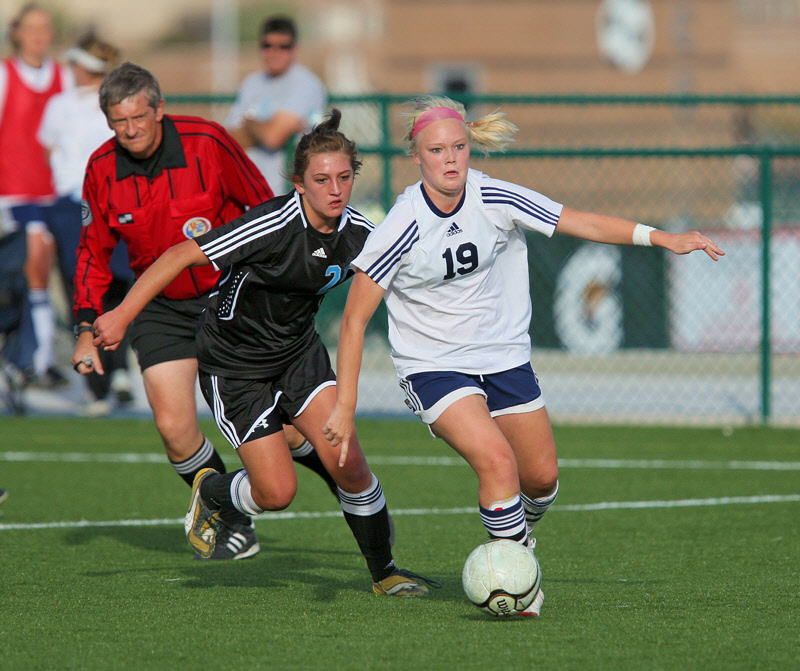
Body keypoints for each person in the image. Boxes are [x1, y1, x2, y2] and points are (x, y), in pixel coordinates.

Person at [322, 95, 725, 615]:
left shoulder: (494, 196)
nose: (450, 159)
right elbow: (354, 319)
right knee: (497, 462)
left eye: (459, 147)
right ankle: (517, 581)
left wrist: (663, 238)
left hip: (504, 356)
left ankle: (515, 540)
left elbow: (579, 221)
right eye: (437, 150)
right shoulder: (402, 223)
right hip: (433, 365)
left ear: (470, 147)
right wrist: (345, 403)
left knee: (542, 479)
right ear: (415, 157)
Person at [91, 109, 439, 596]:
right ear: (300, 184)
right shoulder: (273, 223)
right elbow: (181, 254)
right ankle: (212, 492)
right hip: (234, 367)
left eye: (344, 177)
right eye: (321, 180)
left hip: (299, 357)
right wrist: (124, 315)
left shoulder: (360, 233)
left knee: (351, 465)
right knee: (277, 494)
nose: (335, 189)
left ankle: (385, 573)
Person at [71, 62, 337, 560]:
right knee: (173, 427)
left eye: (137, 119)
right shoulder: (101, 168)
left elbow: (264, 207)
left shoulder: (208, 142)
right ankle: (229, 518)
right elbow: (92, 252)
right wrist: (86, 325)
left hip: (229, 299)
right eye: (117, 123)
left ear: (160, 109)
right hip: (159, 308)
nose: (128, 132)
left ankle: (349, 488)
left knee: (293, 430)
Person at [38, 34, 134, 415]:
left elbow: (49, 152)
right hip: (110, 201)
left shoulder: (63, 105)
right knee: (115, 291)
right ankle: (120, 371)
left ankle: (97, 390)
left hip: (77, 205)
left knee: (85, 292)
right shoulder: (113, 101)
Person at [0, 3, 74, 399]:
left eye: (45, 28)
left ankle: (36, 358)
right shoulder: (5, 75)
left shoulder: (62, 76)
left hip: (54, 194)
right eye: (32, 28)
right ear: (16, 32)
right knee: (33, 268)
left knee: (55, 273)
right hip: (13, 194)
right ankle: (36, 358)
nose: (39, 36)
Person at [225, 15, 326, 195]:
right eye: (267, 46)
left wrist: (249, 123)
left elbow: (273, 137)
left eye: (283, 46)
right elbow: (230, 140)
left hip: (292, 195)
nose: (274, 52)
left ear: (295, 49)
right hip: (252, 192)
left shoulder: (306, 83)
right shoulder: (252, 83)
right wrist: (266, 127)